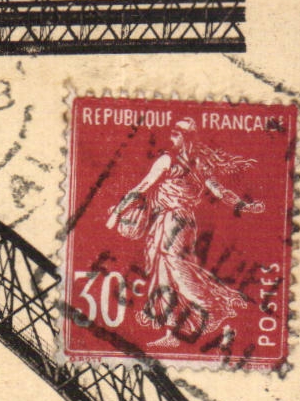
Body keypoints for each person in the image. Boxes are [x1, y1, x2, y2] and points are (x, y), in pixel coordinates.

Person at [104, 118, 263, 347]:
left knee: (177, 269)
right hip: (177, 222)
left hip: (174, 221)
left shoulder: (172, 161)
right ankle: (172, 333)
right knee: (163, 273)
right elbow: (219, 192)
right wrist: (244, 205)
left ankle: (216, 306)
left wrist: (117, 213)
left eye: (177, 133)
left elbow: (142, 188)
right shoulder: (193, 164)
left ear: (186, 138)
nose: (172, 135)